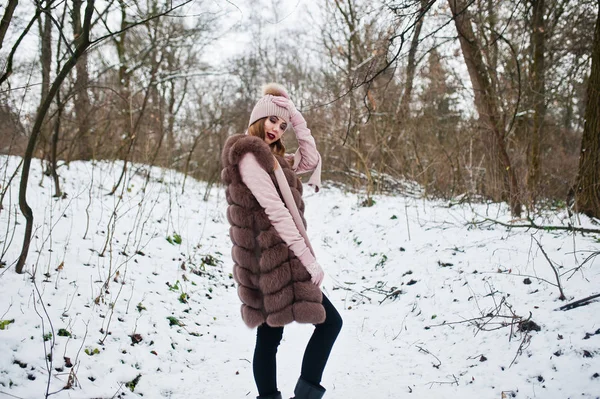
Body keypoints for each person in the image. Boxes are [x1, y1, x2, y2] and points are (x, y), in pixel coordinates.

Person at [221, 83, 342, 399]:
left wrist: (296, 117)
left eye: (282, 125)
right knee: (317, 326)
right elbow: (276, 213)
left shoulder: (274, 159)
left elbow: (310, 159)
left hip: (278, 258)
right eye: (273, 120)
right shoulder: (250, 156)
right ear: (259, 118)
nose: (277, 128)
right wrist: (308, 259)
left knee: (273, 336)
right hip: (271, 261)